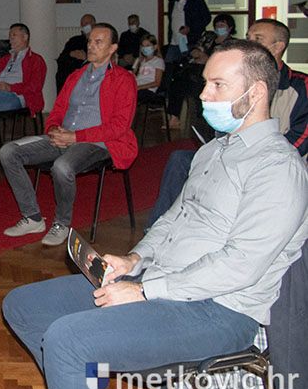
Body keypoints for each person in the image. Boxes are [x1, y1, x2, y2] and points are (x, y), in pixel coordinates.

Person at [2, 39, 308, 389]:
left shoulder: (278, 167)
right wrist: (135, 259)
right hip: (160, 281)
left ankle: (80, 363)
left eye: (218, 85)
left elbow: (240, 266)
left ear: (256, 92)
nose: (204, 95)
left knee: (67, 340)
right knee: (22, 305)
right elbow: (172, 219)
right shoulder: (213, 150)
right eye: (206, 83)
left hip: (218, 310)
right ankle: (85, 376)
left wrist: (144, 290)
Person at [146, 19, 308, 228]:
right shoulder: (237, 80)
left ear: (278, 47)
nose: (249, 43)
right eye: (248, 37)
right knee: (180, 160)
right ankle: (158, 230)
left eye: (257, 39)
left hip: (272, 163)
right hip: (230, 153)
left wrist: (249, 155)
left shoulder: (300, 85)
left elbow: (299, 140)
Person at [1, 23, 137, 246]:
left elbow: (119, 126)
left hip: (99, 143)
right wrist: (54, 129)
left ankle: (61, 223)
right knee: (8, 152)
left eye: (98, 42)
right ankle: (32, 217)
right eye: (90, 41)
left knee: (62, 167)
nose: (91, 46)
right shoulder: (76, 76)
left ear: (113, 48)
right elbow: (57, 110)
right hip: (64, 137)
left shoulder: (123, 79)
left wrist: (75, 137)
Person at [166, 13, 237, 130]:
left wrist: (207, 59)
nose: (219, 27)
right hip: (193, 69)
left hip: (212, 74)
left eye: (222, 25)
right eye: (217, 25)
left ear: (230, 28)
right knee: (177, 83)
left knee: (198, 89)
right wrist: (197, 53)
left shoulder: (232, 44)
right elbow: (195, 48)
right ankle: (174, 117)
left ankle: (204, 121)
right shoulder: (208, 36)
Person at [165, 0, 210, 64]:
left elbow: (206, 18)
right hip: (174, 41)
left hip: (190, 41)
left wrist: (191, 28)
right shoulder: (172, 1)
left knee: (188, 66)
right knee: (169, 65)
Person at [55, 14, 95, 91]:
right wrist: (71, 54)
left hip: (87, 71)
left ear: (93, 24)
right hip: (71, 71)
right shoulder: (74, 40)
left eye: (87, 23)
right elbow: (61, 58)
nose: (84, 26)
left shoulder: (97, 42)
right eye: (82, 24)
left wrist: (86, 58)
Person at [132, 34, 165, 105]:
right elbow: (133, 76)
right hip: (135, 86)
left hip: (147, 89)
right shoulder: (139, 60)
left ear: (155, 47)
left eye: (148, 45)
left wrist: (139, 87)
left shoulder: (158, 61)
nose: (145, 48)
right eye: (143, 46)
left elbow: (157, 82)